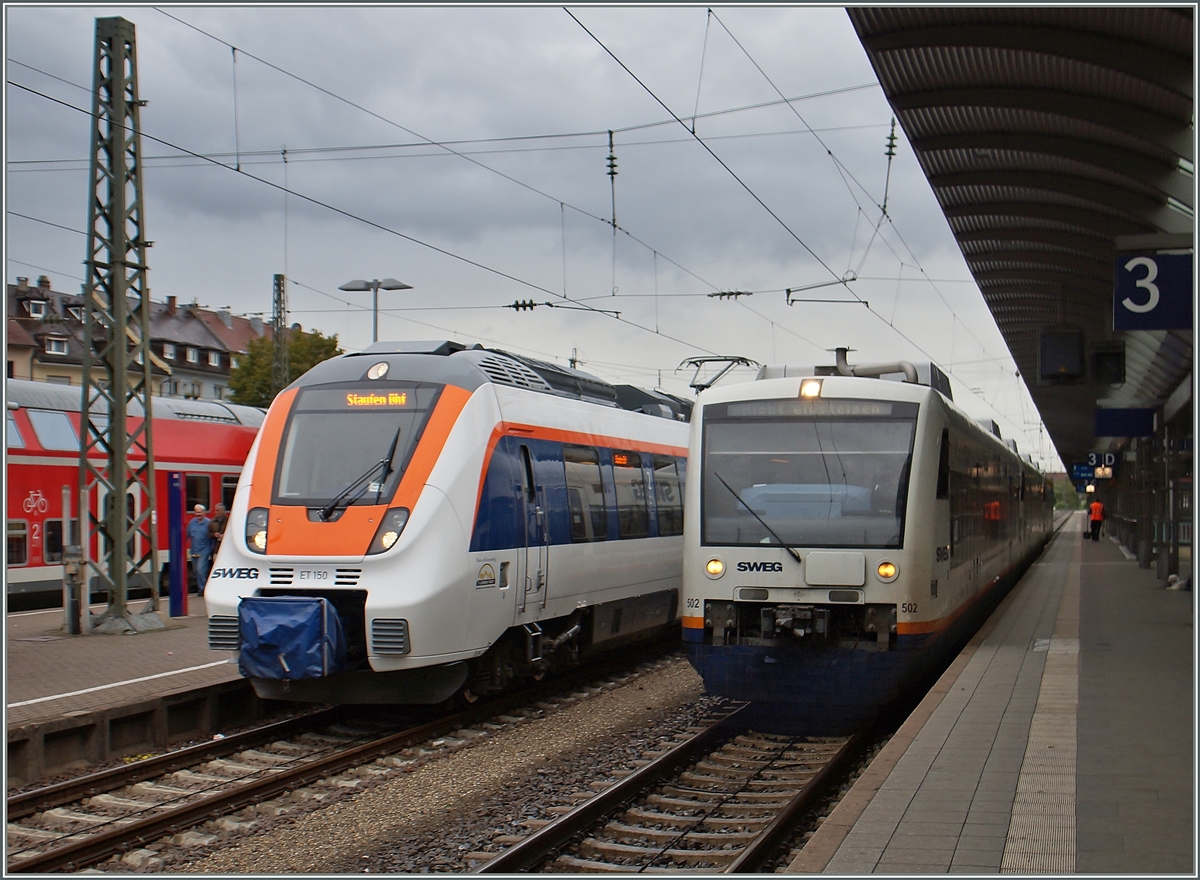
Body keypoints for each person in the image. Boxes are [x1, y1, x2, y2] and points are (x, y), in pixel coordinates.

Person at [187, 504, 214, 595]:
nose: (198, 514)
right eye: (196, 512)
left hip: (204, 550)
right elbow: (187, 535)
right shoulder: (192, 522)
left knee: (200, 570)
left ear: (204, 512)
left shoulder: (209, 523)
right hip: (194, 550)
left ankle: (203, 589)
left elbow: (212, 537)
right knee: (196, 571)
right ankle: (201, 588)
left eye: (199, 512)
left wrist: (213, 550)